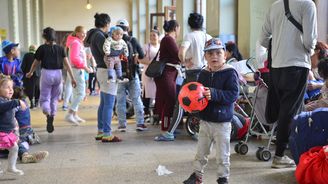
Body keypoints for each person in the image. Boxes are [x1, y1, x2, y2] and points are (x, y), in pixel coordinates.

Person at [259, 0, 317, 168]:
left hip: (276, 67)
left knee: (283, 110)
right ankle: (280, 156)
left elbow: (263, 39)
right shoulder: (307, 5)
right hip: (297, 64)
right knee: (290, 111)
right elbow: (309, 41)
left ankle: (281, 152)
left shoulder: (275, 6)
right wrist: (310, 51)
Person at [183, 38, 239, 184]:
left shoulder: (230, 73)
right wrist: (193, 108)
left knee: (222, 155)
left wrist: (214, 94)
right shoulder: (203, 73)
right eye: (210, 53)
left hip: (223, 123)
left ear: (225, 55)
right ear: (205, 57)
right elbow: (196, 95)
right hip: (205, 121)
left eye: (218, 53)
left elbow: (233, 94)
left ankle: (222, 178)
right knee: (201, 152)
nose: (214, 56)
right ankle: (196, 176)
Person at [155, 13, 210, 141]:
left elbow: (181, 52)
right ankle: (200, 132)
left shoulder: (189, 36)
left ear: (189, 24)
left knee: (180, 102)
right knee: (201, 102)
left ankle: (170, 132)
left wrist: (184, 61)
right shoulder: (207, 36)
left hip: (193, 74)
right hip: (205, 72)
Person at [26, 27, 77, 133]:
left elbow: (35, 63)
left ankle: (47, 113)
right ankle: (52, 115)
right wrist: (72, 78)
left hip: (46, 73)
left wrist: (30, 72)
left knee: (45, 98)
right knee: (54, 98)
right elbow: (67, 64)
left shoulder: (41, 48)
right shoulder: (60, 48)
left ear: (44, 36)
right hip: (58, 74)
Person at [85, 13, 121, 142]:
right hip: (107, 71)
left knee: (104, 103)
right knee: (109, 103)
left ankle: (101, 131)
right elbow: (108, 53)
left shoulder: (94, 35)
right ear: (107, 24)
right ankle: (107, 133)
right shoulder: (99, 36)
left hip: (101, 70)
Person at [115, 19, 147, 132]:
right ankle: (140, 123)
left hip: (119, 75)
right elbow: (142, 56)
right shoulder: (133, 40)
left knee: (120, 100)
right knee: (136, 98)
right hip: (133, 74)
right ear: (128, 29)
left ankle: (122, 125)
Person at [153, 20, 180, 135]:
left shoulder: (167, 39)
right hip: (166, 74)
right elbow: (178, 55)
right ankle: (166, 128)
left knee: (168, 100)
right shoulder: (168, 39)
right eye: (179, 28)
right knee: (169, 100)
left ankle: (169, 127)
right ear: (175, 28)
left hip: (169, 73)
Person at [12, 86, 49, 164]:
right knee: (19, 142)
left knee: (16, 141)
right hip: (29, 131)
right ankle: (25, 148)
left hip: (20, 130)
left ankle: (24, 152)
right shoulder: (25, 103)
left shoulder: (14, 105)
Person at [64, 26, 91, 125]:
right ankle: (70, 114)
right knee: (81, 94)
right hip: (77, 70)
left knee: (76, 94)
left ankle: (74, 115)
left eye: (85, 33)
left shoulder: (77, 42)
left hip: (76, 70)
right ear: (77, 33)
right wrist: (85, 67)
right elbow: (75, 58)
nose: (84, 35)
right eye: (82, 33)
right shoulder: (75, 43)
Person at [0, 74, 25, 175]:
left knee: (14, 147)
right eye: (7, 87)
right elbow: (3, 107)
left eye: (12, 88)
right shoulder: (2, 101)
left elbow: (11, 113)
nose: (11, 90)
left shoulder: (8, 101)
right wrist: (17, 102)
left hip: (7, 132)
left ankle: (11, 167)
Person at [138, 28, 160, 120]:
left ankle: (157, 112)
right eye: (150, 35)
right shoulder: (146, 47)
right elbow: (140, 59)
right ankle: (146, 113)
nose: (152, 37)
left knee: (158, 92)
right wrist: (151, 62)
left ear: (158, 36)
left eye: (154, 35)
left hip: (158, 72)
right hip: (148, 72)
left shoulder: (161, 46)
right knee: (146, 92)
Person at [21, 45, 41, 109]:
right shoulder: (38, 55)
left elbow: (23, 66)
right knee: (37, 88)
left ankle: (31, 102)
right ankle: (36, 102)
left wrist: (23, 73)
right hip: (37, 75)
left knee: (30, 88)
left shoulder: (26, 55)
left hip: (28, 75)